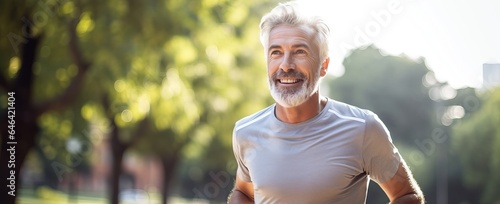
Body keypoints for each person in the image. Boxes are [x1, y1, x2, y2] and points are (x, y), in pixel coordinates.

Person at [227, 1, 424, 204]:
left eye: (300, 52)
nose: (285, 65)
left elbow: (407, 196)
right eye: (276, 52)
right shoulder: (245, 131)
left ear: (324, 65)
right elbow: (242, 193)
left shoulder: (363, 128)